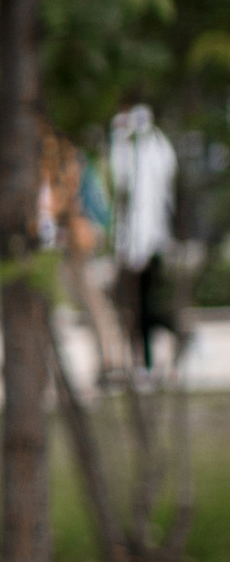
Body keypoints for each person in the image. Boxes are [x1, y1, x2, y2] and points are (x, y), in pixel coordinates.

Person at [110, 101, 180, 371]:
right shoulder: (146, 147)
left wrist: (137, 248)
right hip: (140, 245)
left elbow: (146, 204)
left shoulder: (147, 150)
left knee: (144, 305)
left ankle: (156, 354)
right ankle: (152, 355)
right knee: (140, 305)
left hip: (147, 246)